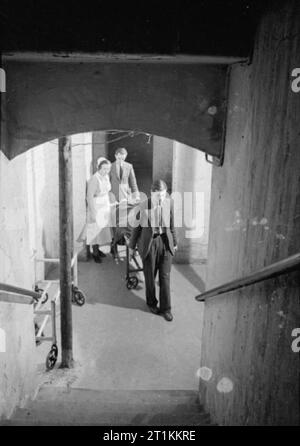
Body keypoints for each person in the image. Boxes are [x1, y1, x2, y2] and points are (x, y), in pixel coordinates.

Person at [128, 180, 177, 321]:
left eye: (162, 194)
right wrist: (131, 248)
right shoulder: (143, 206)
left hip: (165, 242)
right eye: (157, 195)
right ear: (151, 193)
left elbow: (172, 225)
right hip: (150, 244)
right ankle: (151, 302)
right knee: (150, 276)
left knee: (165, 277)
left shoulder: (169, 203)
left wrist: (175, 242)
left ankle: (166, 309)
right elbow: (136, 229)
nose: (160, 198)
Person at [83, 157, 112, 263]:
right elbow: (89, 196)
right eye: (104, 169)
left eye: (108, 169)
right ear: (99, 168)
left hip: (104, 204)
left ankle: (99, 250)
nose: (106, 171)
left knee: (102, 230)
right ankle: (94, 253)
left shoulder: (106, 176)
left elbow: (106, 190)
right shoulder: (94, 179)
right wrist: (93, 212)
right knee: (95, 229)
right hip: (96, 205)